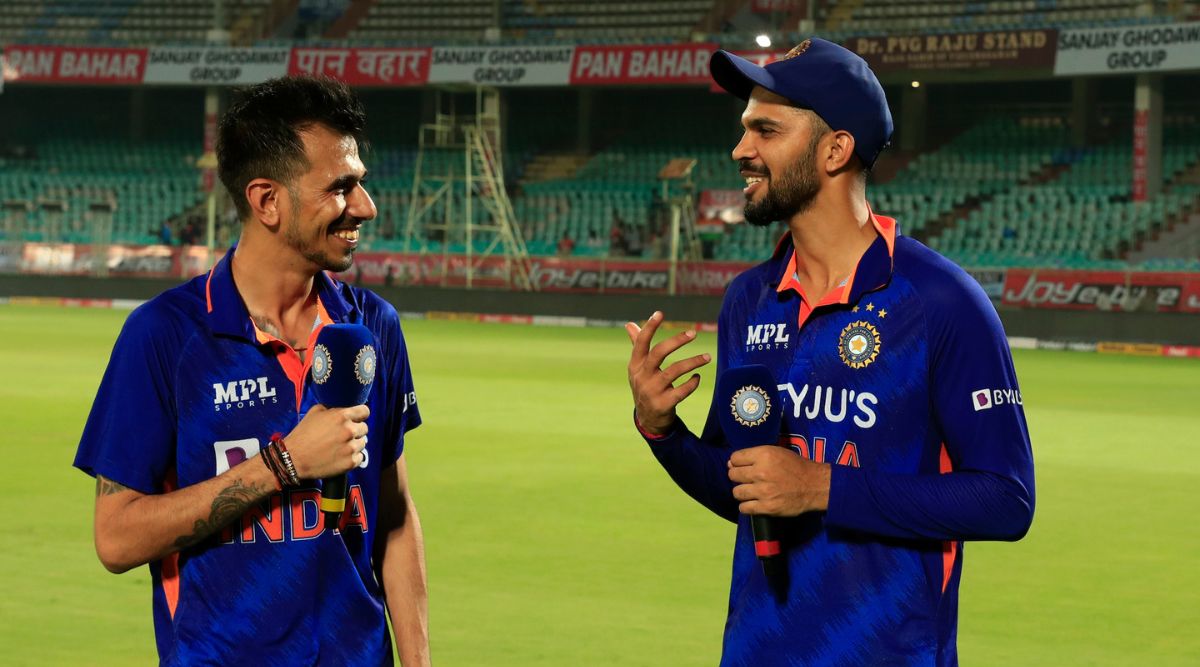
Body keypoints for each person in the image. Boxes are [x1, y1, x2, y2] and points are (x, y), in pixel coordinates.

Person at [624, 39, 1034, 666]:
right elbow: (742, 489)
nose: (740, 150)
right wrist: (662, 431)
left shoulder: (941, 301)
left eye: (766, 130)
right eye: (744, 129)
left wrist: (821, 487)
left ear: (835, 150)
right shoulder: (748, 300)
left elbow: (1006, 500)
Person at [74, 76, 430, 666]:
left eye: (360, 183)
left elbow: (393, 517)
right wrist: (283, 464)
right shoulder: (165, 336)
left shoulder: (373, 328)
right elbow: (116, 539)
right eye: (340, 188)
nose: (365, 207)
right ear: (267, 201)